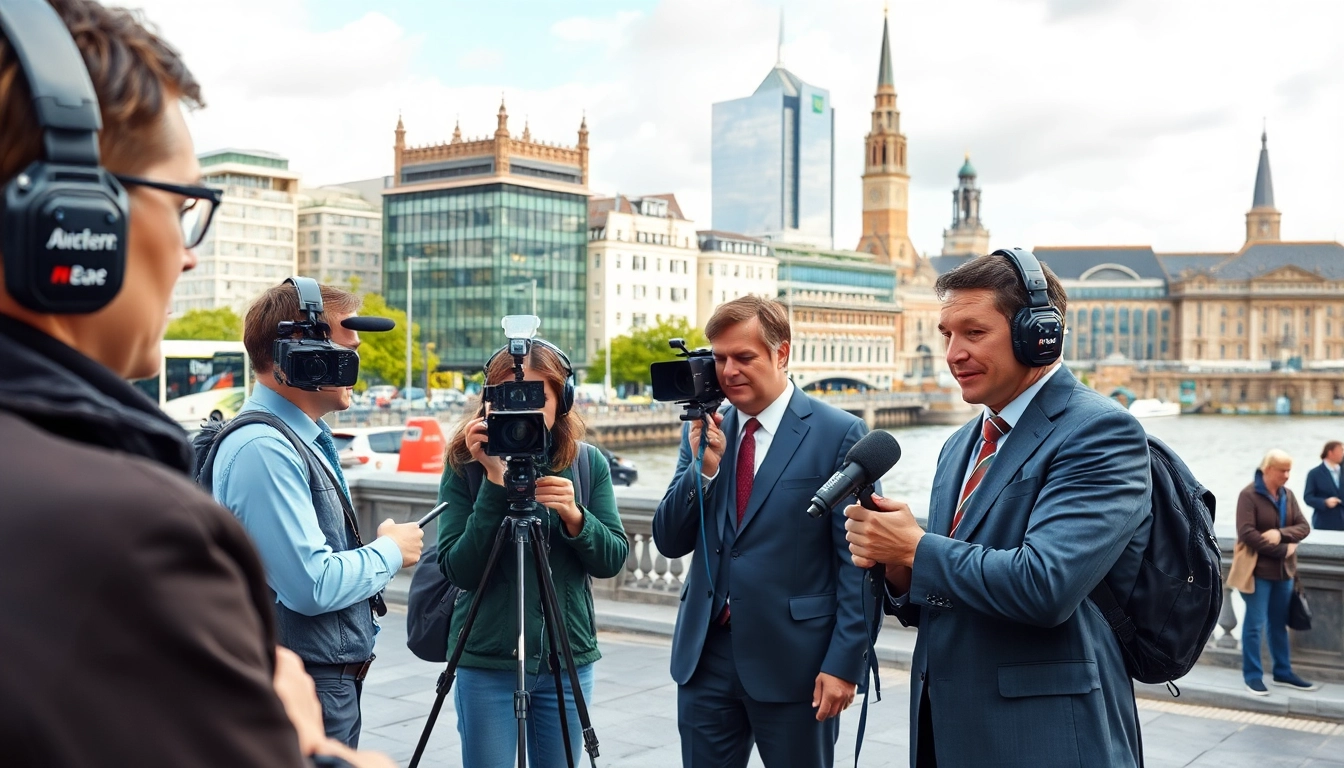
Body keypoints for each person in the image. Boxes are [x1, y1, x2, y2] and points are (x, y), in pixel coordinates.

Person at [0, 1, 389, 765]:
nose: (189, 257)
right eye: (183, 208)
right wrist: (301, 742)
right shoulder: (129, 531)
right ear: (70, 220)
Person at [843, 251, 1153, 767]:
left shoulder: (1101, 431)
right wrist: (899, 568)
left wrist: (917, 548)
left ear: (1040, 335)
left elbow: (1046, 586)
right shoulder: (960, 444)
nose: (953, 353)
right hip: (949, 734)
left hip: (1045, 741)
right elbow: (947, 594)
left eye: (974, 332)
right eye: (947, 334)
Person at [653, 295, 874, 768]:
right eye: (719, 358)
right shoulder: (705, 428)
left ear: (781, 353)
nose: (728, 370)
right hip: (705, 658)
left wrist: (845, 663)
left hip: (798, 664)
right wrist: (702, 470)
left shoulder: (839, 434)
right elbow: (669, 540)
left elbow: (857, 565)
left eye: (743, 357)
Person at [212, 281, 424, 747]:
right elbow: (312, 585)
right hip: (308, 683)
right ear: (299, 355)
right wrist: (390, 551)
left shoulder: (291, 438)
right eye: (347, 353)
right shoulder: (265, 448)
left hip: (322, 679)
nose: (355, 369)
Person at [437, 337, 628, 768]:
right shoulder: (466, 467)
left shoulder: (585, 463)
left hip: (566, 656)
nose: (521, 410)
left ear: (563, 401)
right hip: (487, 661)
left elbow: (613, 559)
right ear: (487, 401)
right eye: (507, 396)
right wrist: (493, 481)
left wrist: (576, 517)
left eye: (536, 397)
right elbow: (458, 570)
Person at [1236, 449, 1317, 694]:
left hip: (1284, 574)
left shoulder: (1287, 495)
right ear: (1268, 470)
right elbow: (1246, 534)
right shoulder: (1248, 495)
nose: (1287, 475)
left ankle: (1282, 672)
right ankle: (1252, 676)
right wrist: (1283, 549)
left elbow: (1304, 527)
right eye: (1283, 470)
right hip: (1257, 573)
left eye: (1289, 470)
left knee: (1279, 625)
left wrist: (1280, 534)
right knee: (1254, 626)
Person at [1303, 440, 1343, 531]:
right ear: (1330, 452)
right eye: (1341, 450)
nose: (1342, 454)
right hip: (1324, 523)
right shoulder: (1314, 473)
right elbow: (1308, 498)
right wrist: (1324, 502)